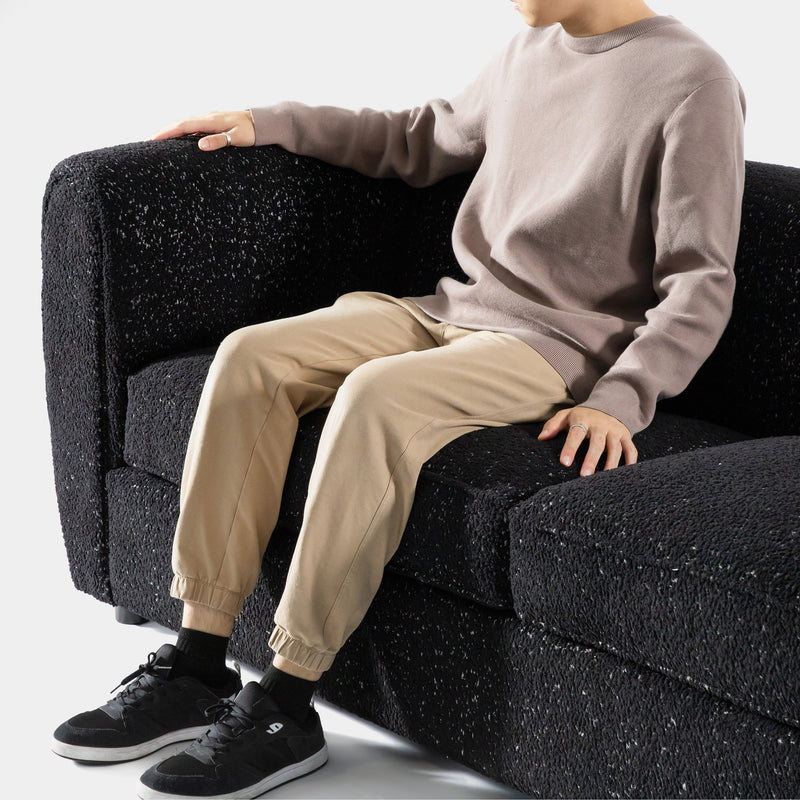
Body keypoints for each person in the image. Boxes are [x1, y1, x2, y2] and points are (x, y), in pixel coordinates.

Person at [51, 0, 745, 797]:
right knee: (251, 358)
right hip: (451, 307)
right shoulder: (529, 44)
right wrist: (270, 121)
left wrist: (622, 397)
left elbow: (701, 282)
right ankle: (198, 661)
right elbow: (421, 137)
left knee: (377, 398)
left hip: (555, 348)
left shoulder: (694, 81)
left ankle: (285, 698)